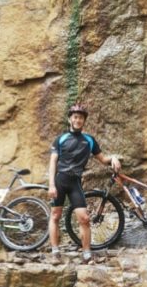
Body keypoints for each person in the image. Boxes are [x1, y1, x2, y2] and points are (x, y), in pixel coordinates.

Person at [47, 104, 121, 265]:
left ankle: (87, 254)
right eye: (75, 117)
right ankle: (55, 252)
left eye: (80, 117)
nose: (78, 120)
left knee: (85, 218)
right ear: (70, 119)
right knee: (55, 216)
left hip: (75, 182)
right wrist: (51, 184)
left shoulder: (89, 140)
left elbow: (102, 159)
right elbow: (53, 162)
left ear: (84, 121)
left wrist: (113, 157)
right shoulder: (60, 139)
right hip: (60, 180)